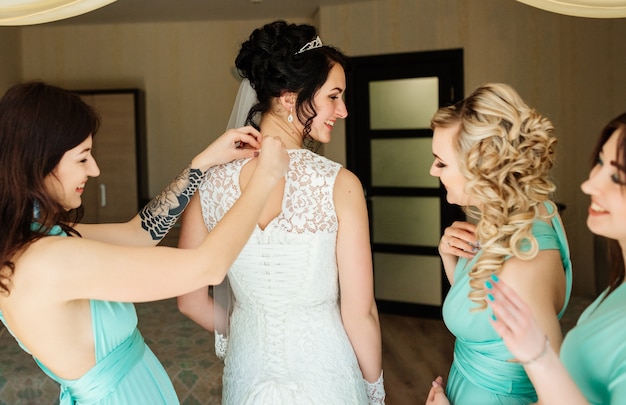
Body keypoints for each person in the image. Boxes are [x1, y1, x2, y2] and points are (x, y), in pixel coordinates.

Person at [0, 81, 289, 404]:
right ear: (39, 164)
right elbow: (208, 267)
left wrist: (202, 164)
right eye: (82, 159)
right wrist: (264, 178)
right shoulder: (48, 260)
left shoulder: (36, 240)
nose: (94, 170)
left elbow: (140, 234)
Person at [176, 20, 385, 404]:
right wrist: (375, 391)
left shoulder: (209, 184)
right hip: (326, 374)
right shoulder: (341, 184)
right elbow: (360, 314)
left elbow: (189, 301)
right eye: (334, 97)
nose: (343, 110)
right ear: (291, 97)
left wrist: (247, 329)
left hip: (248, 370)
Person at [424, 83, 572, 405]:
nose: (432, 170)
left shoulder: (527, 264)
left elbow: (558, 398)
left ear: (482, 168)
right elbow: (487, 316)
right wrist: (450, 258)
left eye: (442, 162)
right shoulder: (529, 213)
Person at [485, 112, 626, 405]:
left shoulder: (530, 250)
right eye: (599, 162)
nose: (588, 185)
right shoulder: (618, 287)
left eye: (617, 176)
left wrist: (540, 359)